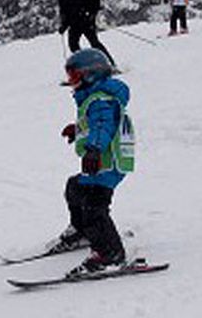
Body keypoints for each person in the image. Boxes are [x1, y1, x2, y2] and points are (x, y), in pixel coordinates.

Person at [54, 48, 133, 277]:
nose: (71, 82)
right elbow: (93, 122)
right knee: (75, 187)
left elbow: (103, 125)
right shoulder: (94, 99)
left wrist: (94, 149)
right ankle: (82, 231)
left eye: (74, 77)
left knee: (94, 207)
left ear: (91, 75)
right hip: (99, 162)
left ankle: (109, 254)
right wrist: (77, 129)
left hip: (107, 162)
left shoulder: (100, 100)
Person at [57, 0, 115, 66]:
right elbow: (65, 15)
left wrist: (91, 14)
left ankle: (109, 64)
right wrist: (63, 26)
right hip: (74, 26)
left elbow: (95, 2)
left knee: (95, 43)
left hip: (86, 23)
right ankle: (83, 68)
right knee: (73, 46)